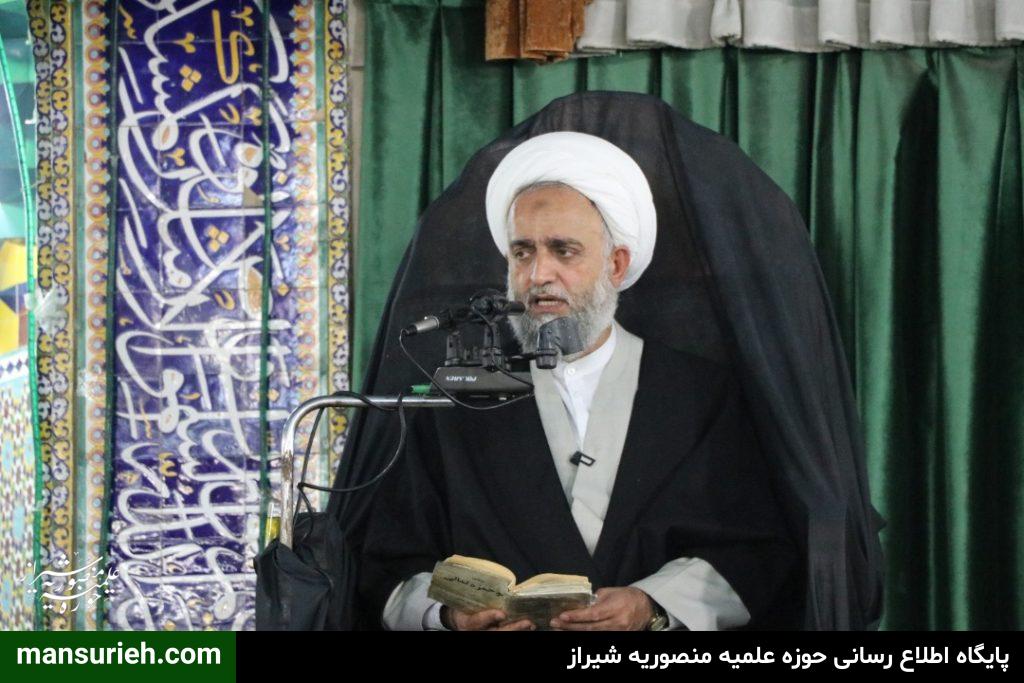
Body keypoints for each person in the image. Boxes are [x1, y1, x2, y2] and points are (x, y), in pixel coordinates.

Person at [357, 132, 802, 631]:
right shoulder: (459, 394)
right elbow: (388, 562)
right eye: (522, 253)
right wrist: (449, 616)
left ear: (616, 264)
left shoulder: (700, 395)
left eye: (563, 251)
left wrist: (652, 606)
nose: (538, 275)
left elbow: (755, 550)